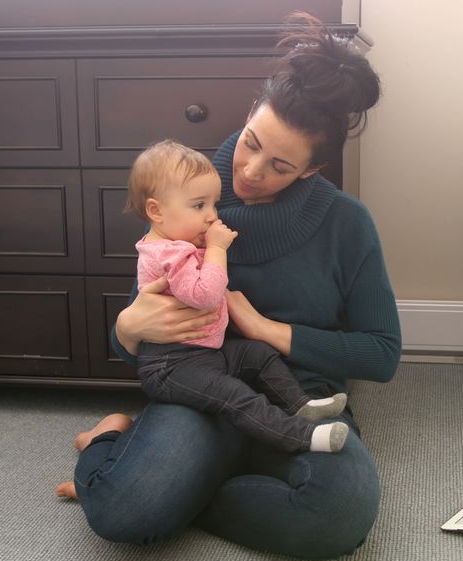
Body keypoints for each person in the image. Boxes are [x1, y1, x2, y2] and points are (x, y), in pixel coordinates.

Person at [55, 12, 400, 559]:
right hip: (200, 391)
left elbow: (381, 355)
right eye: (251, 141)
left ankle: (180, 494)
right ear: (247, 116)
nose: (251, 171)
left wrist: (267, 330)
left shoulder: (347, 224)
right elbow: (138, 348)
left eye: (280, 165)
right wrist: (126, 327)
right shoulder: (188, 193)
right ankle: (108, 438)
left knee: (339, 517)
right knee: (121, 512)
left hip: (297, 398)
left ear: (311, 171)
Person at [124, 139, 350, 454]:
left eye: (214, 204)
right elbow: (204, 295)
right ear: (155, 211)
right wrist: (216, 249)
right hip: (172, 365)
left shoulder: (181, 241)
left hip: (205, 352)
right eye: (199, 205)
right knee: (236, 396)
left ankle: (300, 403)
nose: (212, 216)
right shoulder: (168, 254)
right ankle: (299, 436)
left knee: (256, 354)